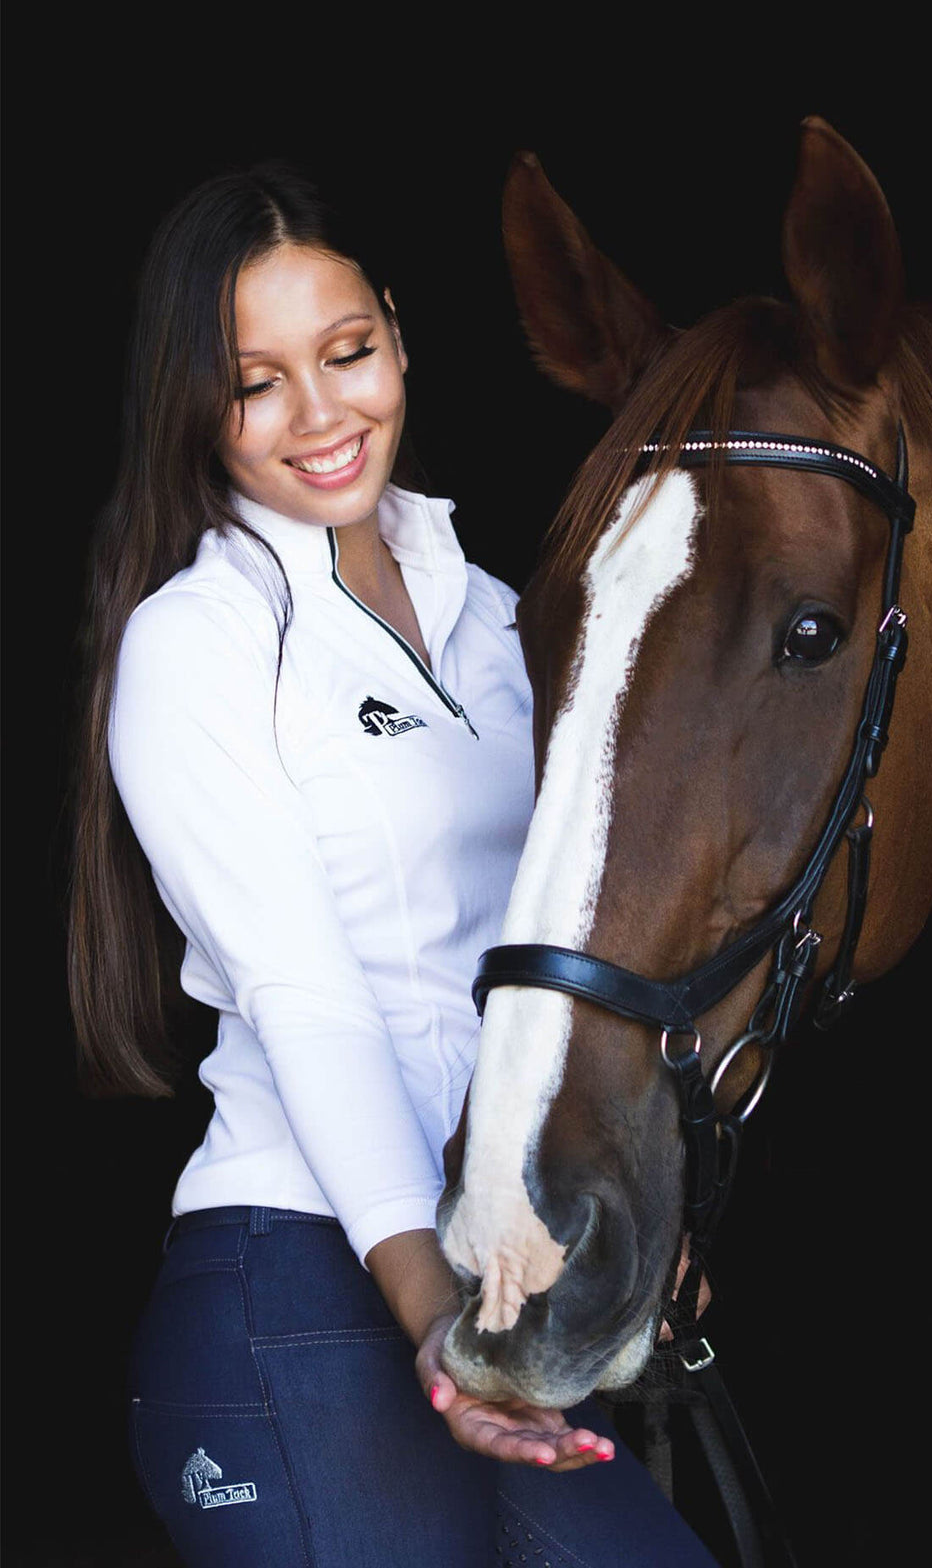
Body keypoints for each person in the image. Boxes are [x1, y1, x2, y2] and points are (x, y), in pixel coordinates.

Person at [68, 164, 718, 1567]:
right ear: (195, 401)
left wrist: (630, 1210)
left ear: (400, 340)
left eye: (347, 352)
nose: (321, 414)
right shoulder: (201, 640)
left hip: (488, 1276)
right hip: (295, 1280)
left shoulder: (498, 617)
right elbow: (311, 996)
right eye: (256, 381)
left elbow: (578, 943)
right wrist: (431, 1309)